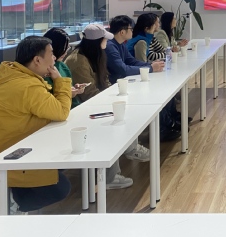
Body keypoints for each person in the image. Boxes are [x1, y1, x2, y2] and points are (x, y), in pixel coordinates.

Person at [0, 36, 71, 214]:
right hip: (10, 155)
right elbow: (61, 112)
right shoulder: (28, 86)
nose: (54, 58)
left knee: (61, 161)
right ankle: (14, 201)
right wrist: (60, 81)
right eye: (51, 54)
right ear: (37, 60)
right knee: (60, 187)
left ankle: (12, 194)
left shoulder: (2, 75)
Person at [67, 23, 145, 187]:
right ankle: (110, 177)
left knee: (123, 109)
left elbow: (104, 81)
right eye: (104, 39)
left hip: (94, 102)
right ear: (97, 42)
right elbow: (88, 94)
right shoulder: (79, 61)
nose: (106, 43)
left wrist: (112, 96)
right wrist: (110, 99)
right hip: (83, 109)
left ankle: (131, 149)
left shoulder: (93, 56)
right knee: (114, 120)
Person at [105, 15, 164, 84]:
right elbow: (123, 70)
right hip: (112, 84)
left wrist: (150, 64)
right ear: (122, 32)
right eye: (131, 29)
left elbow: (132, 61)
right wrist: (150, 68)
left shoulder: (121, 44)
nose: (133, 30)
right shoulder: (110, 46)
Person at [43, 27, 86, 108]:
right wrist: (68, 93)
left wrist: (75, 88)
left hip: (73, 106)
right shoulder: (44, 71)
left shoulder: (62, 66)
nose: (66, 52)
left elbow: (68, 87)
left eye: (67, 48)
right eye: (64, 48)